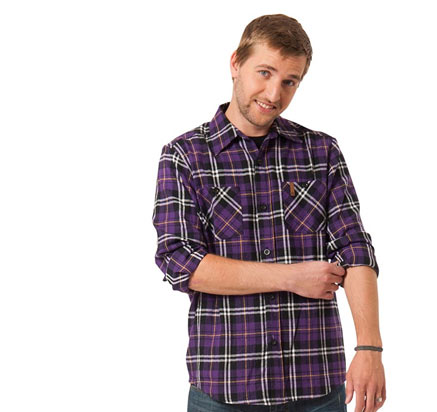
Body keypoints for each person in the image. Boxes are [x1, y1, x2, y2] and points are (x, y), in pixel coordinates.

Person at [152, 14, 386, 412]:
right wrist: (292, 277)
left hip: (316, 386)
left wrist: (369, 348)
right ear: (235, 63)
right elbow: (181, 262)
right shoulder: (185, 156)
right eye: (265, 72)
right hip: (226, 388)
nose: (274, 93)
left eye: (290, 81)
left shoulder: (321, 152)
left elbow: (355, 250)